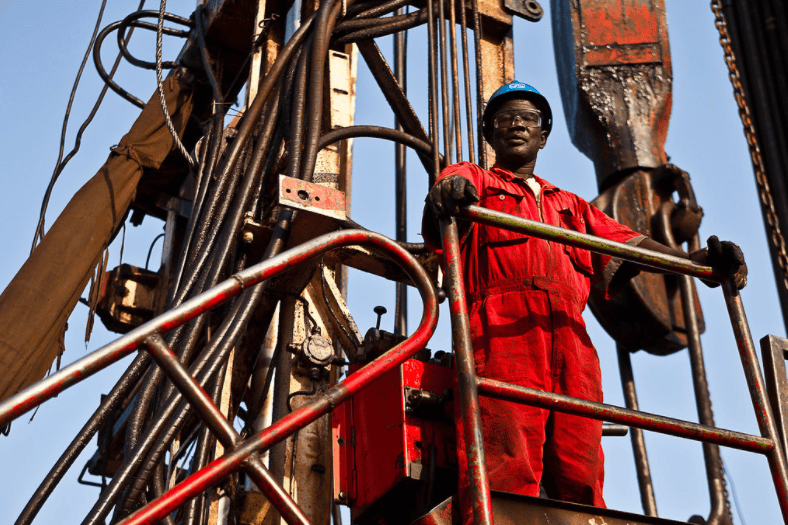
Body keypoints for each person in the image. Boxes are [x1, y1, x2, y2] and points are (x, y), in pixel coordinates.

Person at [422, 81, 747, 517]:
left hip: (572, 342)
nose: (516, 125)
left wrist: (697, 264)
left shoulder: (571, 207)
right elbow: (447, 190)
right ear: (489, 133)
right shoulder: (475, 179)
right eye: (505, 118)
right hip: (503, 334)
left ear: (543, 136)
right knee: (505, 456)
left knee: (580, 462)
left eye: (528, 118)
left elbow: (632, 244)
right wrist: (449, 191)